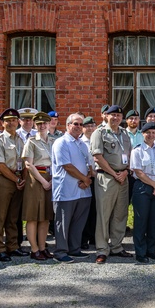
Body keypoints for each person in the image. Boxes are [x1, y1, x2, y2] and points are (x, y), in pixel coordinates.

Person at [89, 104, 133, 263]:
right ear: (106, 116)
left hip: (123, 177)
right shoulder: (99, 133)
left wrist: (126, 172)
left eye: (119, 116)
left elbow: (130, 155)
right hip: (107, 177)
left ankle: (117, 246)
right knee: (104, 215)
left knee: (120, 214)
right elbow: (97, 156)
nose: (116, 118)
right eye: (113, 115)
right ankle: (102, 249)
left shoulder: (125, 134)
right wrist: (115, 174)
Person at [51, 113, 93, 263]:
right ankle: (60, 252)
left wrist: (88, 179)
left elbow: (90, 164)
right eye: (75, 124)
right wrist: (85, 179)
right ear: (68, 125)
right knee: (63, 222)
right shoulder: (61, 142)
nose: (78, 127)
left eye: (81, 124)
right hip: (66, 190)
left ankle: (74, 249)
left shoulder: (82, 144)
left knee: (78, 222)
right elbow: (67, 166)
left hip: (83, 190)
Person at [0, 109, 27, 262]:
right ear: (2, 123)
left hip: (17, 180)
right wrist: (17, 180)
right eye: (7, 120)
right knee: (0, 217)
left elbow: (24, 162)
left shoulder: (20, 139)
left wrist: (22, 179)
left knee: (13, 217)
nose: (11, 123)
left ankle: (13, 246)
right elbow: (0, 165)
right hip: (3, 181)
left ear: (18, 122)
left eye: (14, 120)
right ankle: (0, 249)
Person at [130, 121, 155, 263]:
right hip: (143, 187)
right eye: (148, 133)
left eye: (153, 132)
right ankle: (140, 252)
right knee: (141, 220)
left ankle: (151, 250)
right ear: (143, 134)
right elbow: (138, 172)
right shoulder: (137, 150)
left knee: (154, 221)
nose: (151, 135)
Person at [22, 112, 55, 261]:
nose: (42, 126)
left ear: (49, 124)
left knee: (45, 216)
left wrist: (52, 180)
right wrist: (43, 181)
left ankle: (42, 247)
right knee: (33, 216)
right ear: (35, 125)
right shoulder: (31, 141)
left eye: (45, 123)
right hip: (36, 179)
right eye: (39, 124)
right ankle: (34, 249)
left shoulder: (54, 141)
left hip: (51, 178)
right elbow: (28, 164)